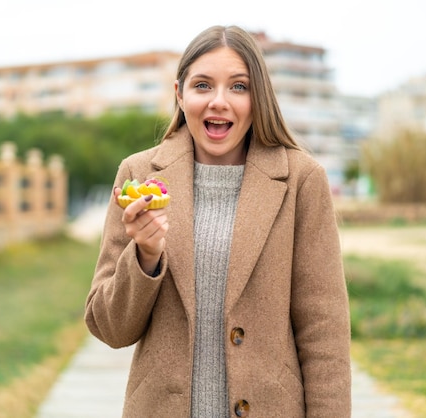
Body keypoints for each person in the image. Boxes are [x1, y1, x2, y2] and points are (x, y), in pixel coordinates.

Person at [85, 25, 351, 417]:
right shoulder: (138, 176)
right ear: (179, 93)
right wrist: (145, 256)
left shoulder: (301, 180)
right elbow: (109, 328)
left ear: (258, 96)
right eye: (203, 86)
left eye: (239, 87)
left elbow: (324, 334)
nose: (219, 102)